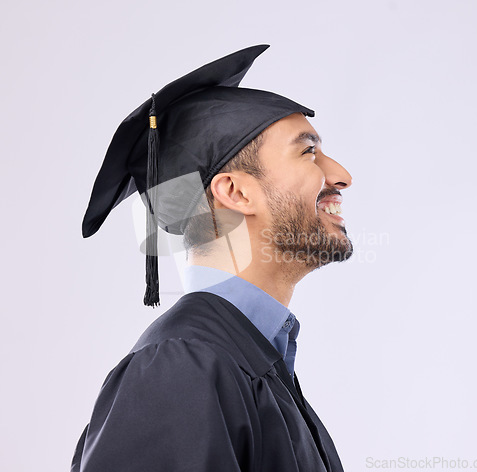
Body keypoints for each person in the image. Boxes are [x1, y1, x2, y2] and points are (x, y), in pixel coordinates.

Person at [72, 44, 353, 472]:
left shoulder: (249, 356)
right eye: (308, 151)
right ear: (235, 192)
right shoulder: (182, 366)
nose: (342, 176)